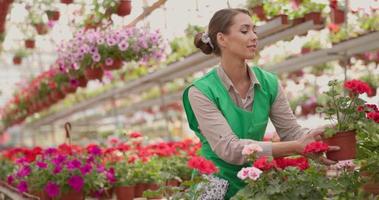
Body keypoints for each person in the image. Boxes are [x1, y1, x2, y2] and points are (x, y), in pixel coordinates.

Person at [182, 8, 339, 199]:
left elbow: (291, 131)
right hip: (214, 184)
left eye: (254, 30)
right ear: (222, 39)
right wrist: (296, 146)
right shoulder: (200, 91)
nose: (254, 36)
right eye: (245, 31)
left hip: (253, 179)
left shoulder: (268, 83)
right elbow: (229, 149)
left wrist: (325, 137)